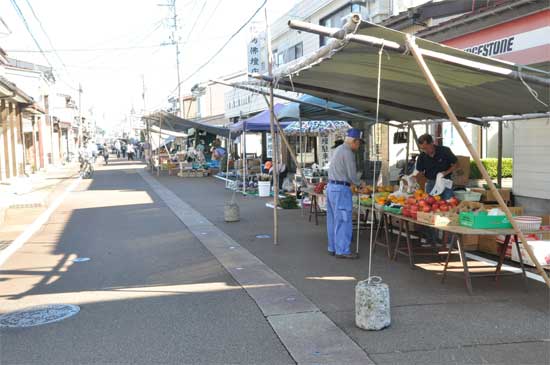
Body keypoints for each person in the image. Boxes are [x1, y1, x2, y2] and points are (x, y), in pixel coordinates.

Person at [326, 128, 363, 259]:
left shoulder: (339, 149)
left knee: (333, 220)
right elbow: (352, 174)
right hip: (341, 189)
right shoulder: (348, 152)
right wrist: (360, 184)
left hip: (331, 187)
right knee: (343, 220)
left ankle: (333, 247)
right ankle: (342, 250)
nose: (359, 146)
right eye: (359, 143)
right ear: (354, 141)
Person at [413, 134, 458, 200]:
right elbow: (420, 172)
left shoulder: (445, 151)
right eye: (422, 149)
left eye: (426, 148)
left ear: (432, 143)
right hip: (431, 183)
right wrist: (414, 180)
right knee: (430, 204)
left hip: (445, 181)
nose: (425, 151)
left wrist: (445, 172)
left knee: (448, 202)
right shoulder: (422, 156)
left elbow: (457, 164)